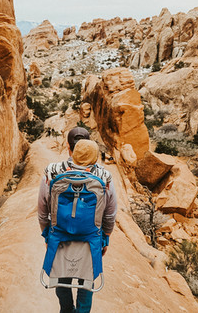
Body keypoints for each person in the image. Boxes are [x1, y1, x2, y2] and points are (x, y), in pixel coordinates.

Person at [38, 127, 117, 313]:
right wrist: (105, 238)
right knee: (86, 281)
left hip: (60, 236)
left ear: (69, 147)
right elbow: (110, 214)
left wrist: (47, 235)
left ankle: (66, 309)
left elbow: (43, 211)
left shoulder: (52, 172)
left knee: (61, 278)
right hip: (90, 238)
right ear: (94, 154)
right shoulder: (104, 177)